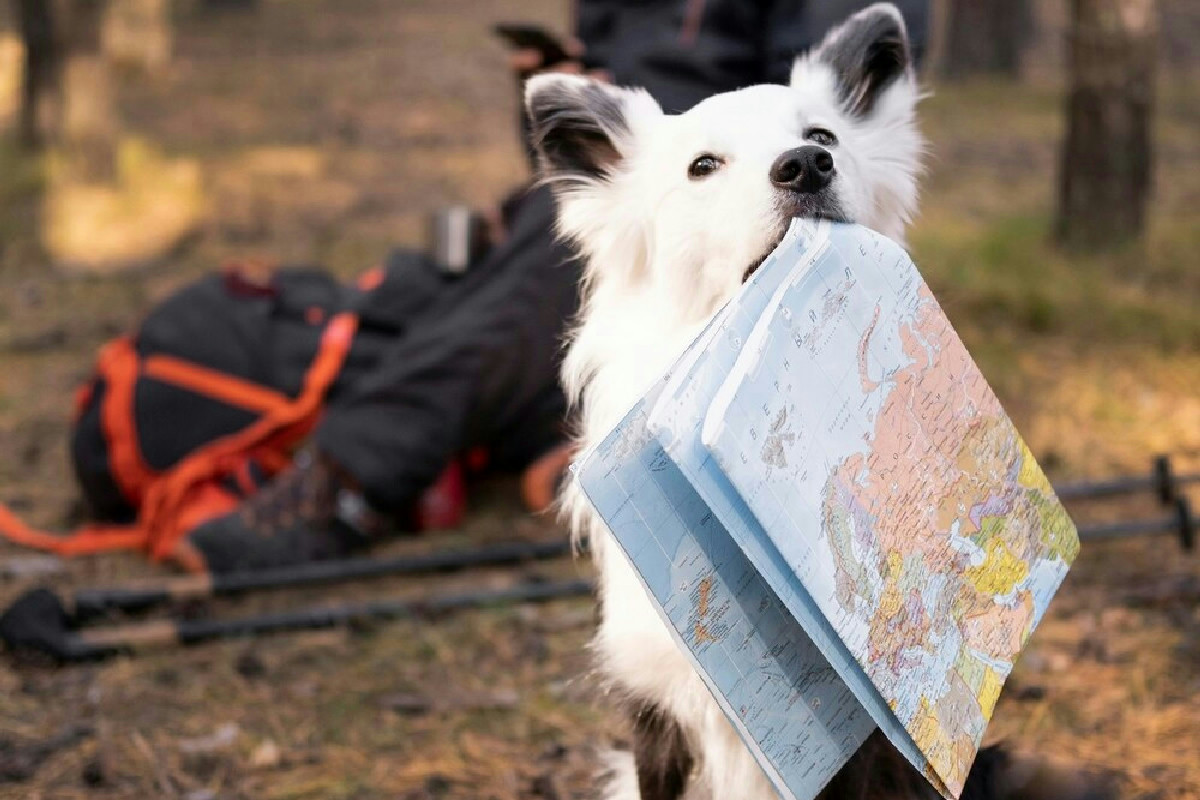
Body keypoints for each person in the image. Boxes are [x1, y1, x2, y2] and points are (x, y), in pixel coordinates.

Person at [172, 0, 930, 573]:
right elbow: (597, 127)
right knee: (421, 294)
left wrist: (687, 154)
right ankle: (528, 429)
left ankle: (348, 483)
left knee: (530, 287)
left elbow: (812, 125)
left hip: (733, 212)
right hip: (637, 195)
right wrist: (569, 92)